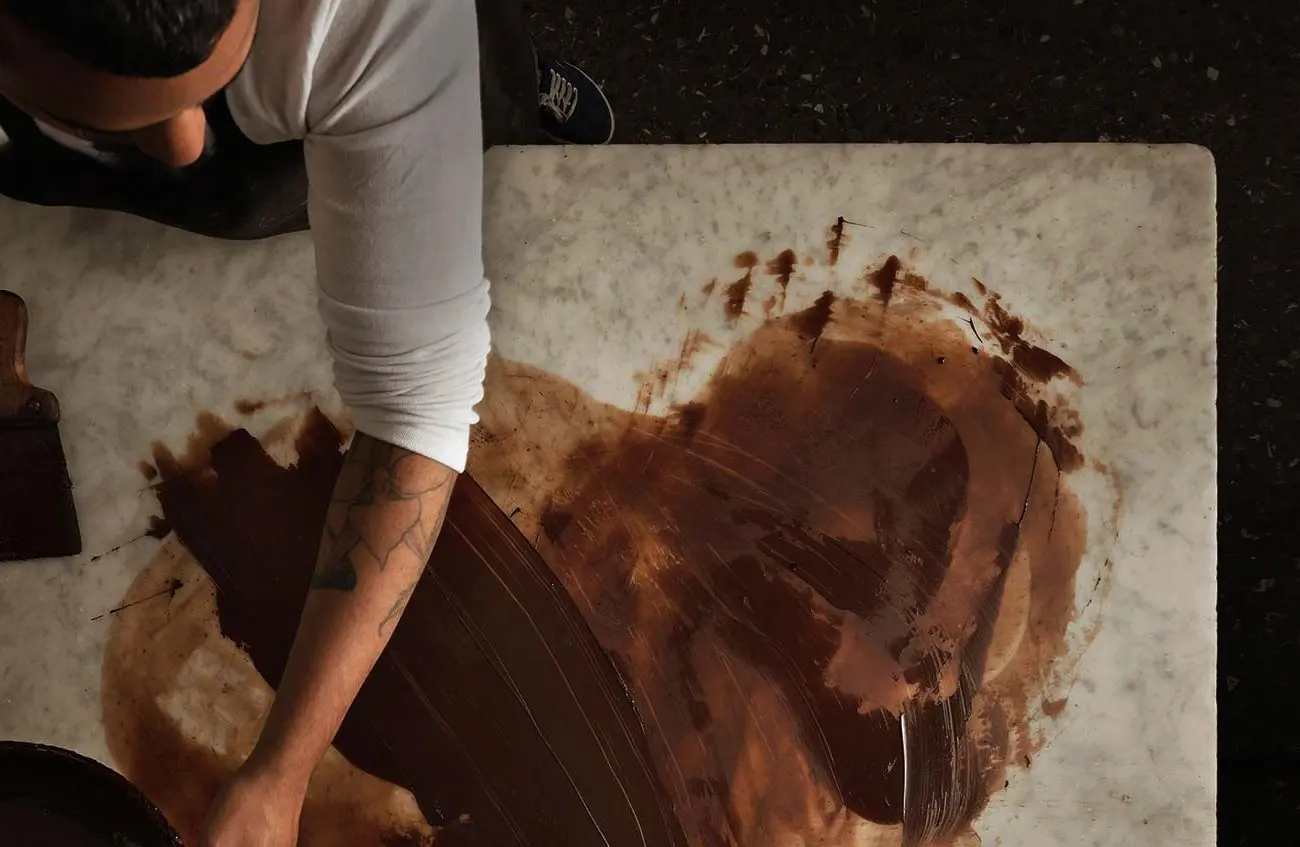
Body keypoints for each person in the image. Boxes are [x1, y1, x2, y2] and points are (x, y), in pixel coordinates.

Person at [0, 1, 614, 845]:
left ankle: (514, 86)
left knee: (479, 100)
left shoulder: (388, 15)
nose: (185, 146)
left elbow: (416, 411)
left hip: (380, 79)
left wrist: (279, 773)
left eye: (206, 84)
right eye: (115, 112)